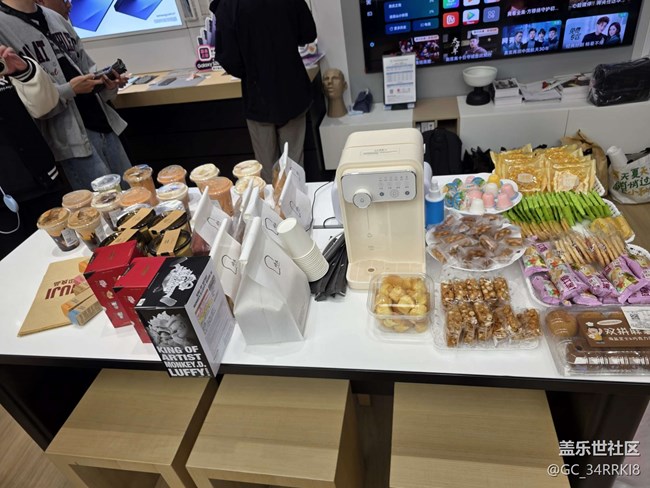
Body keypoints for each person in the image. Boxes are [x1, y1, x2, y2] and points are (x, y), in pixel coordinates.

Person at [0, 0, 132, 190]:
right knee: (102, 203)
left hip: (103, 124)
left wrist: (107, 84)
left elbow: (85, 66)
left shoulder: (54, 18)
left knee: (133, 195)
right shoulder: (4, 28)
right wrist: (70, 89)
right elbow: (24, 102)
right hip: (69, 142)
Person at [211, 0, 317, 182]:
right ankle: (297, 199)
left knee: (267, 172)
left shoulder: (228, 5)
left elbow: (228, 58)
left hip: (257, 94)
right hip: (292, 89)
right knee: (294, 166)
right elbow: (308, 34)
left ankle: (273, 199)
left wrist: (251, 72)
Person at [0, 44, 65, 258]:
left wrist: (23, 71)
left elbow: (44, 105)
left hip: (42, 178)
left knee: (67, 250)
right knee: (18, 265)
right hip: (5, 200)